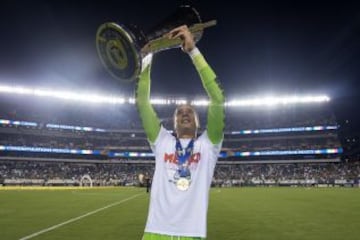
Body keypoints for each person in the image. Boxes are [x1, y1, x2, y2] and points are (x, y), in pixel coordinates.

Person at [136, 25, 225, 240]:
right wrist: (147, 59)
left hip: (192, 233)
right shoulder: (162, 140)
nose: (184, 113)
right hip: (155, 232)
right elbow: (142, 102)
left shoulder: (209, 144)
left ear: (198, 121)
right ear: (174, 124)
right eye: (179, 113)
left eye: (189, 112)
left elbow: (218, 98)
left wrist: (193, 51)